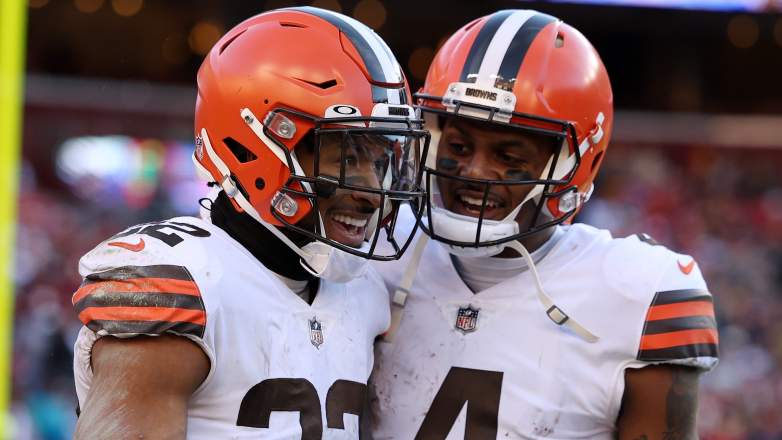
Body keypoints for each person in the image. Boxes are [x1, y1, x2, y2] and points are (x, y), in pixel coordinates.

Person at [71, 7, 428, 439]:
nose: (373, 192)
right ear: (254, 145)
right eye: (348, 158)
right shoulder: (189, 285)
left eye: (380, 159)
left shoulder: (365, 294)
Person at [370, 9, 718, 439]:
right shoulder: (379, 246)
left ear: (574, 166)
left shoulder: (635, 291)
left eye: (509, 157)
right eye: (459, 145)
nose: (474, 171)